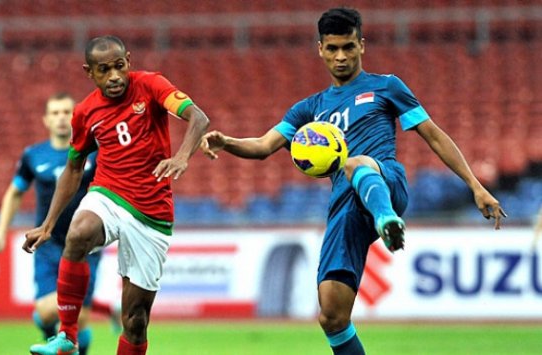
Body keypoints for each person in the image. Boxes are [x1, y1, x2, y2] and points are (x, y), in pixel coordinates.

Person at [200, 8, 507, 354]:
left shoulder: (386, 87)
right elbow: (263, 146)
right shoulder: (309, 110)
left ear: (362, 45)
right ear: (320, 49)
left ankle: (387, 219)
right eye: (332, 49)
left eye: (348, 47)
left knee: (355, 163)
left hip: (386, 181)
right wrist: (227, 143)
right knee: (331, 315)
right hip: (345, 207)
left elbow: (433, 135)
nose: (341, 56)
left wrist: (475, 186)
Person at [23, 35, 210, 355]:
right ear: (89, 72)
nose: (114, 76)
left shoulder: (151, 84)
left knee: (135, 321)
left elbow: (198, 117)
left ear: (129, 61)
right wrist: (49, 223)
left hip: (152, 211)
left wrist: (181, 156)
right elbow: (73, 169)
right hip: (108, 194)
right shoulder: (84, 112)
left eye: (119, 66)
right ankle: (67, 336)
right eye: (104, 70)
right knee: (79, 233)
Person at [0, 93, 102, 355]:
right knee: (47, 312)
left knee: (78, 317)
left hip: (86, 244)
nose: (61, 118)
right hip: (48, 244)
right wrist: (1, 231)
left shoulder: (93, 152)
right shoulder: (33, 155)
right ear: (46, 120)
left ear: (75, 117)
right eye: (55, 113)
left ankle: (68, 343)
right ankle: (51, 330)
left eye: (66, 112)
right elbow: (15, 192)